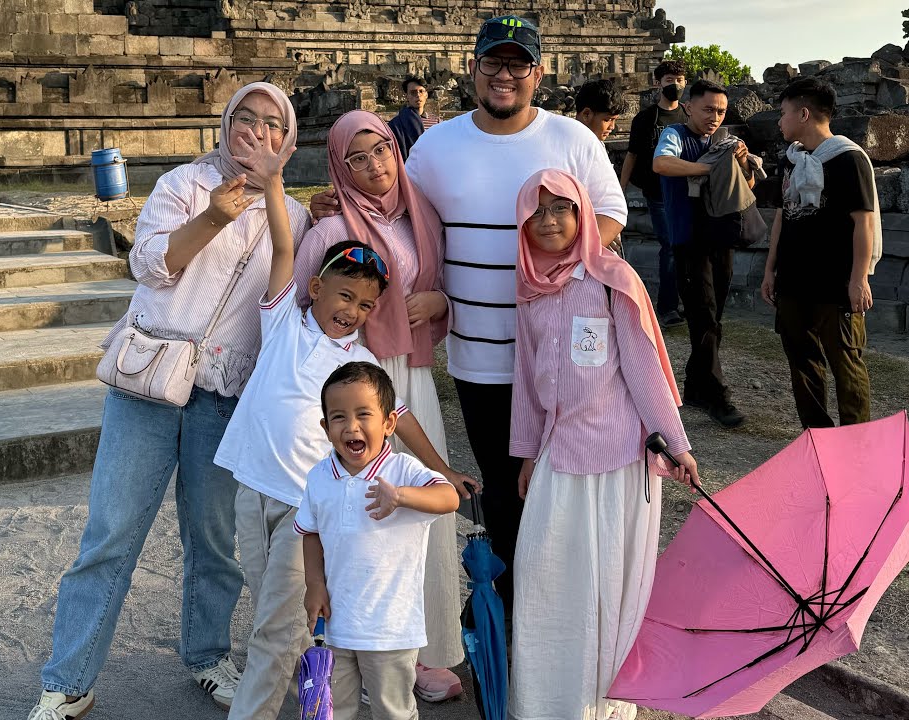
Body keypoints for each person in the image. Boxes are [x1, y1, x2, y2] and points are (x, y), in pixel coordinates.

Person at [315, 15, 629, 618]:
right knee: (502, 484)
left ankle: (553, 606)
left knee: (557, 486)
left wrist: (557, 271)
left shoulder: (573, 140)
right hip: (479, 355)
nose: (504, 75)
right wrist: (338, 201)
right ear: (473, 68)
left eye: (518, 64)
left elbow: (609, 217)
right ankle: (510, 606)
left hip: (557, 355)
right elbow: (394, 209)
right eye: (493, 62)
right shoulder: (436, 146)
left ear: (538, 72)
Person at [26, 82, 312, 720]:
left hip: (222, 396)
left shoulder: (292, 213)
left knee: (213, 543)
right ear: (226, 122)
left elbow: (284, 297)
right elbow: (151, 266)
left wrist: (267, 197)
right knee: (109, 534)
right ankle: (69, 679)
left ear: (287, 141)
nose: (256, 132)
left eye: (272, 124)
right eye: (245, 118)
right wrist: (214, 215)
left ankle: (208, 656)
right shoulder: (183, 184)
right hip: (150, 383)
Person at [215, 228, 475, 720]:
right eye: (345, 295)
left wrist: (443, 469)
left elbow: (403, 420)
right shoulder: (284, 324)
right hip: (252, 491)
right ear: (315, 289)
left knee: (273, 631)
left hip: (303, 502)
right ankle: (323, 697)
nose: (353, 310)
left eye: (366, 305)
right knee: (282, 621)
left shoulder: (362, 364)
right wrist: (273, 180)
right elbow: (284, 249)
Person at [508, 169, 699, 720]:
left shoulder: (613, 279)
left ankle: (601, 702)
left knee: (608, 580)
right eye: (537, 212)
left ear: (583, 215)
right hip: (557, 451)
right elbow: (526, 377)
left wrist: (676, 444)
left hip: (618, 457)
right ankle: (548, 702)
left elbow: (643, 369)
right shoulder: (528, 286)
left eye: (561, 209)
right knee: (547, 573)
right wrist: (525, 452)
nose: (549, 221)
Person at [293, 110, 469, 702]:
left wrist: (437, 300)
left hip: (410, 374)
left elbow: (444, 280)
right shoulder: (330, 227)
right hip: (358, 389)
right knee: (358, 520)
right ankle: (353, 650)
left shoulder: (419, 213)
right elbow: (301, 303)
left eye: (382, 152)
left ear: (398, 151)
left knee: (414, 512)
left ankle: (415, 650)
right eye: (357, 159)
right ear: (339, 168)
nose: (374, 168)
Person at [297, 361, 462, 720]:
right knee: (333, 710)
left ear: (388, 422)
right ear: (325, 427)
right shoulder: (320, 477)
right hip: (337, 625)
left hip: (391, 629)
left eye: (363, 414)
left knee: (393, 711)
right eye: (338, 417)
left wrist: (402, 496)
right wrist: (314, 585)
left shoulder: (403, 470)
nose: (351, 426)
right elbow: (310, 532)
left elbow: (448, 498)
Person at [761, 78, 878, 428]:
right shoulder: (793, 160)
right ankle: (817, 435)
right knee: (801, 361)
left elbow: (864, 223)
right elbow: (783, 216)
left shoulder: (847, 159)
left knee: (846, 362)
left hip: (835, 282)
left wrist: (859, 279)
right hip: (794, 280)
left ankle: (856, 439)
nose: (780, 121)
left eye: (784, 113)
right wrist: (770, 270)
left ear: (804, 113)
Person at [653, 79, 754, 429]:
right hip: (688, 240)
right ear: (688, 107)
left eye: (721, 111)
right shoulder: (676, 135)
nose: (714, 116)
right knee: (705, 315)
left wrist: (741, 164)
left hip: (721, 237)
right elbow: (662, 164)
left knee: (712, 317)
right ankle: (717, 396)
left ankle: (695, 386)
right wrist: (710, 168)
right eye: (708, 109)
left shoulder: (723, 141)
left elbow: (746, 187)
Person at [621, 60, 689, 328]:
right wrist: (620, 189)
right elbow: (632, 155)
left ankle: (683, 301)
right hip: (657, 191)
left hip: (685, 189)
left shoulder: (688, 114)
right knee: (670, 245)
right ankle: (667, 308)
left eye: (681, 79)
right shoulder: (646, 119)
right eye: (671, 79)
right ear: (658, 83)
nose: (676, 85)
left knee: (684, 246)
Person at [387, 76, 440, 160]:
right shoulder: (396, 124)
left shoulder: (437, 122)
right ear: (407, 96)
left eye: (421, 91)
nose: (418, 95)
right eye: (413, 92)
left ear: (426, 94)